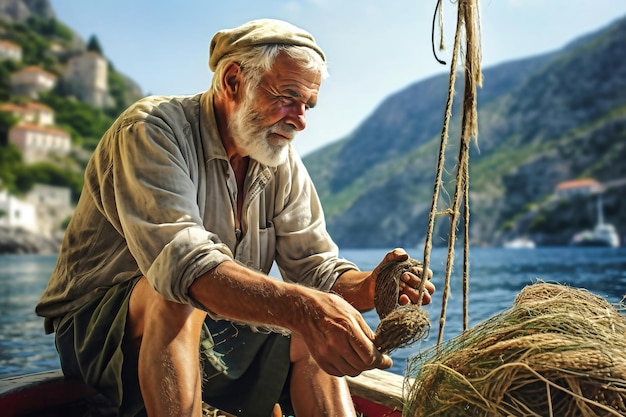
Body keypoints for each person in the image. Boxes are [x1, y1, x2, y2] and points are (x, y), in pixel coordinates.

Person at [36, 18, 435, 417]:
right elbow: (185, 269)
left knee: (315, 330)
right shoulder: (152, 130)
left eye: (307, 105)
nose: (300, 120)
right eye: (288, 97)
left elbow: (317, 271)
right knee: (174, 291)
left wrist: (370, 286)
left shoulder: (281, 162)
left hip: (216, 324)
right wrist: (307, 310)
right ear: (232, 82)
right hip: (99, 336)